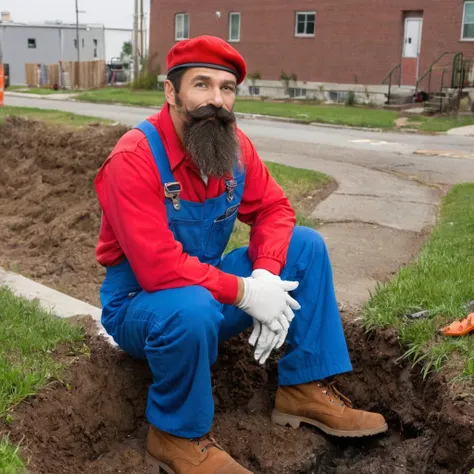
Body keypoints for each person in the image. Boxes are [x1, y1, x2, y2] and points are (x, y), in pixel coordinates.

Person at [94, 35, 388, 474]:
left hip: (205, 289)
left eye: (226, 88)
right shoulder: (134, 159)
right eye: (202, 85)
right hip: (142, 305)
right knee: (191, 308)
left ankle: (303, 389)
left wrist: (267, 275)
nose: (216, 100)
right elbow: (157, 269)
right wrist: (246, 293)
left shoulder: (233, 149)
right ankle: (175, 434)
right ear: (171, 92)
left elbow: (275, 208)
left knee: (305, 246)